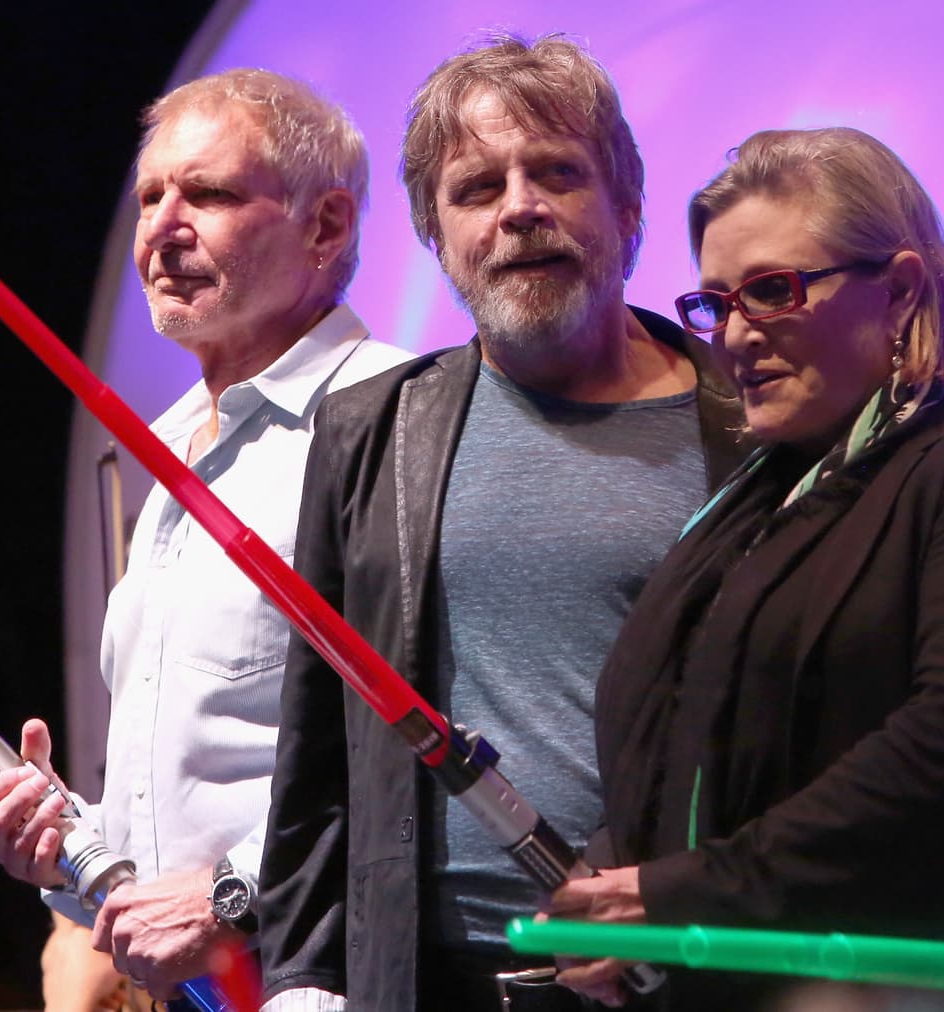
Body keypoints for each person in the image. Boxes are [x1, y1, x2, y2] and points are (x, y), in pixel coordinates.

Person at [545, 126, 944, 1011]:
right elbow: (686, 745)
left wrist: (680, 894)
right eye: (715, 304)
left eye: (773, 291)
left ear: (898, 290)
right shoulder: (743, 503)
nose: (734, 335)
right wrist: (620, 888)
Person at [257, 33, 748, 1012]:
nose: (520, 207)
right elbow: (318, 747)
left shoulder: (753, 422)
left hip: (688, 968)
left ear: (628, 206)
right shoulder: (369, 433)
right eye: (477, 188)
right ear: (436, 238)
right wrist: (303, 977)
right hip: (430, 975)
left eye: (557, 173)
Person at [0, 68, 412, 1006]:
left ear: (326, 227)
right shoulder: (162, 448)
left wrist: (230, 897)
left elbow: (421, 741)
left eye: (206, 193)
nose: (164, 227)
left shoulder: (398, 417)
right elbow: (185, 808)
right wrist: (68, 848)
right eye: (149, 197)